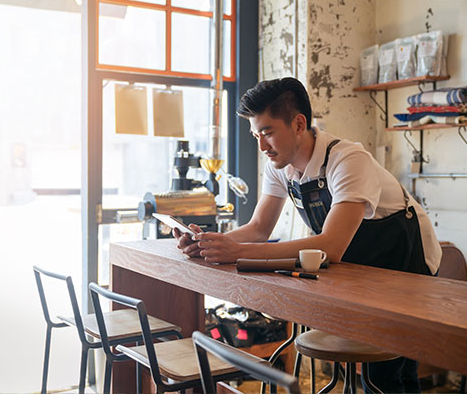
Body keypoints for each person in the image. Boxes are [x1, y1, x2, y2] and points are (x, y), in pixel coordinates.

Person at [173, 77, 441, 393]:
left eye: (268, 132)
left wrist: (236, 251)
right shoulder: (279, 166)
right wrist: (212, 242)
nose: (261, 146)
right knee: (379, 371)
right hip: (363, 269)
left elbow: (331, 246)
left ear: (299, 124)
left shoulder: (348, 160)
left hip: (406, 265)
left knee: (387, 374)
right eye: (256, 135)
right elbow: (259, 228)